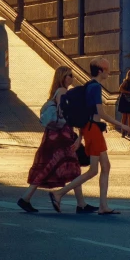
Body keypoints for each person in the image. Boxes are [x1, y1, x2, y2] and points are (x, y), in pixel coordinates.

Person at [48, 57, 130, 215]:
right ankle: (58, 194)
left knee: (105, 167)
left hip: (92, 130)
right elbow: (100, 113)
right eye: (107, 70)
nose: (109, 72)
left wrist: (81, 136)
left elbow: (85, 112)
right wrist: (121, 125)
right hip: (93, 130)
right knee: (93, 170)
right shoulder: (95, 88)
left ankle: (103, 206)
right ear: (100, 71)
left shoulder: (89, 86)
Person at [17, 66, 96, 214]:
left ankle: (80, 204)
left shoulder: (56, 92)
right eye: (69, 75)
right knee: (69, 168)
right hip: (61, 138)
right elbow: (64, 113)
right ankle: (80, 204)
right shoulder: (62, 92)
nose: (72, 78)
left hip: (55, 136)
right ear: (62, 77)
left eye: (72, 75)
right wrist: (79, 133)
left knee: (59, 168)